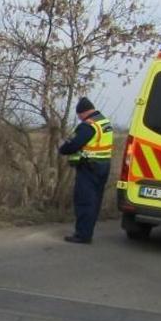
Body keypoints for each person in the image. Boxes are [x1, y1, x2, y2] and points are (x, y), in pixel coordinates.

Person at [58, 97, 113, 244]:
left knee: (84, 201)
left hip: (89, 168)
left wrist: (62, 149)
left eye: (79, 115)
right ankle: (87, 231)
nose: (79, 118)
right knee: (95, 201)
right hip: (103, 166)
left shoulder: (88, 125)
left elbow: (73, 144)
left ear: (82, 113)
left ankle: (82, 235)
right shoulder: (104, 122)